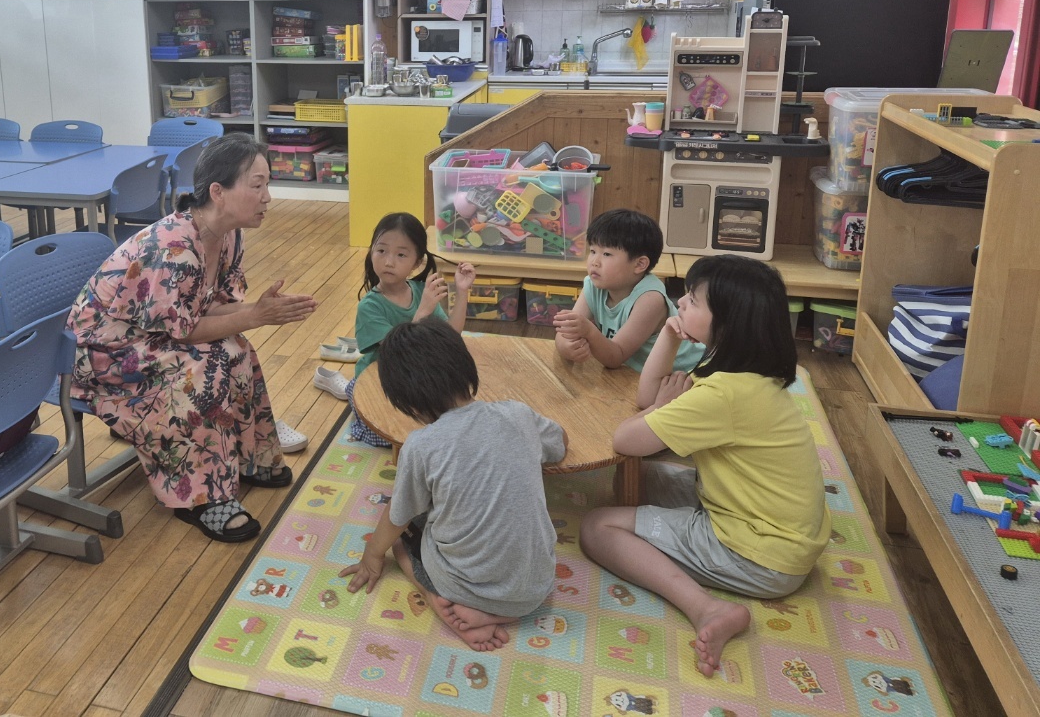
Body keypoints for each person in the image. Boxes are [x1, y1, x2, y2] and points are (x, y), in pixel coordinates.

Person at [579, 254, 830, 677]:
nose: (679, 302)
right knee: (636, 478)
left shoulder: (722, 395)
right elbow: (647, 398)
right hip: (771, 526)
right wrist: (669, 337)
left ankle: (706, 607)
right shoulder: (743, 373)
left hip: (760, 554)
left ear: (727, 324)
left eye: (693, 300)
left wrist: (661, 408)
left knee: (596, 525)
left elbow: (626, 439)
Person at [67, 134, 317, 544]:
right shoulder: (174, 248)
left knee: (235, 347)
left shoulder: (227, 233)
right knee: (200, 370)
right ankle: (201, 496)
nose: (267, 197)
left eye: (267, 184)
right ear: (218, 192)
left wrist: (255, 312)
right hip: (102, 353)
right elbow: (184, 329)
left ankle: (244, 456)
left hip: (148, 334)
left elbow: (206, 308)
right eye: (257, 185)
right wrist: (255, 315)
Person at [340, 318, 566, 651]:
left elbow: (399, 515)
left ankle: (439, 602)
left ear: (408, 403)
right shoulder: (518, 414)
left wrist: (372, 555)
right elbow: (559, 443)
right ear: (465, 368)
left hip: (461, 589)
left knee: (399, 536)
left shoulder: (421, 445)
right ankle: (496, 612)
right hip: (535, 588)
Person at [312, 211, 475, 446]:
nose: (389, 262)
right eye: (381, 251)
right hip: (381, 378)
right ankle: (346, 388)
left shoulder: (420, 291)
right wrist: (423, 310)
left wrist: (462, 291)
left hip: (413, 376)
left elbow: (451, 335)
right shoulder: (370, 306)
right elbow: (399, 352)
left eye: (401, 254)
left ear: (417, 262)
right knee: (395, 433)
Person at [553, 209, 703, 405]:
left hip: (681, 375)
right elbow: (566, 331)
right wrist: (565, 346)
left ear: (639, 264)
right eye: (593, 251)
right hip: (633, 371)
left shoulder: (650, 299)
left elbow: (616, 357)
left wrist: (588, 331)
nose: (594, 262)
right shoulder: (593, 285)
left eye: (607, 254)